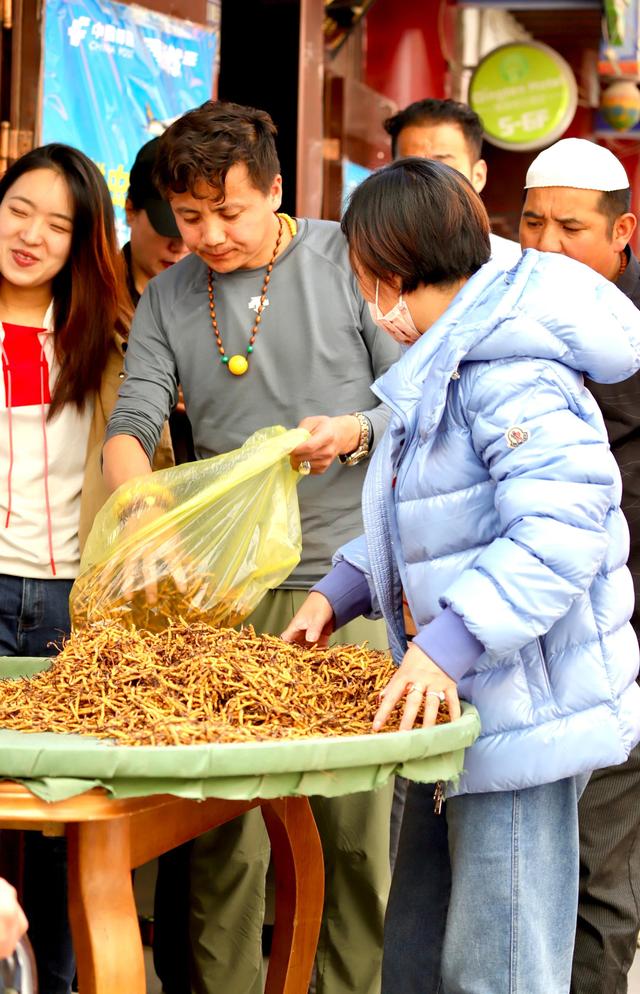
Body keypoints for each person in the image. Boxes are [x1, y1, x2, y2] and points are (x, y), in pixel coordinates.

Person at [282, 156, 640, 994]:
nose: (369, 304)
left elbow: (560, 529)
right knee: (420, 948)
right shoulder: (446, 359)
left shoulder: (509, 371)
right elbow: (431, 515)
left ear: (398, 274)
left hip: (523, 711)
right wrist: (337, 594)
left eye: (368, 282)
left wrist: (447, 643)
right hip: (460, 708)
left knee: (502, 962)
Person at [102, 100, 401, 994]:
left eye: (229, 212)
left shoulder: (349, 260)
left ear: (277, 190)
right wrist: (141, 506)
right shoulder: (167, 294)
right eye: (189, 218)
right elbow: (132, 423)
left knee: (352, 837)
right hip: (223, 596)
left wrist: (350, 431)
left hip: (350, 589)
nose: (210, 236)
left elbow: (415, 409)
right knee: (223, 837)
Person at [0, 142, 172, 994]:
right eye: (19, 210)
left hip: (76, 605)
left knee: (68, 826)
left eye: (58, 224)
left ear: (84, 242)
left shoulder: (109, 338)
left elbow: (150, 458)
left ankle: (61, 985)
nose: (32, 235)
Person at [520, 137, 640, 994]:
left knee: (599, 866)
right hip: (524, 638)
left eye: (570, 227)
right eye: (531, 224)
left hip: (620, 643)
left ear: (622, 231)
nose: (547, 245)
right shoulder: (513, 317)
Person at [383, 97, 520, 268]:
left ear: (478, 176)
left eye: (443, 165)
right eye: (411, 166)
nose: (425, 178)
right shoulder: (364, 260)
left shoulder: (512, 267)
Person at [124, 138, 194, 464]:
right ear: (130, 211)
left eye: (191, 224)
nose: (179, 246)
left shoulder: (217, 293)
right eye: (167, 228)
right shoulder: (90, 299)